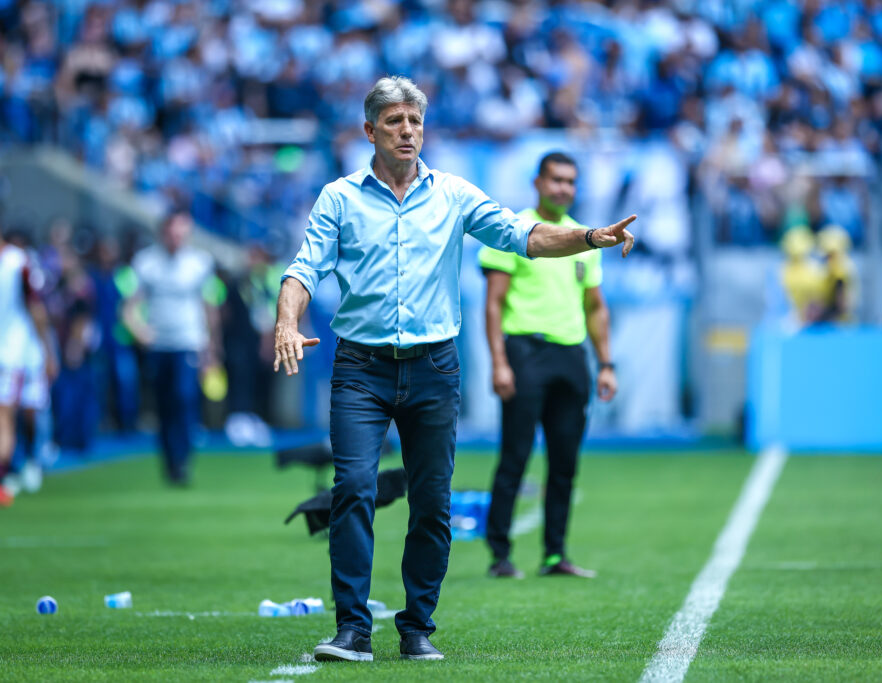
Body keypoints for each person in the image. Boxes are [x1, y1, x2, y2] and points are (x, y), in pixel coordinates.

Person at [274, 76, 635, 664]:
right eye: (393, 122)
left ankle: (417, 626)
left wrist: (590, 236)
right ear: (369, 131)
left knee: (433, 501)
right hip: (360, 368)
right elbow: (302, 270)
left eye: (414, 121)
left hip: (434, 368)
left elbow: (527, 235)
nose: (407, 131)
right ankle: (352, 630)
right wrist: (287, 322)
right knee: (354, 489)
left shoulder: (455, 195)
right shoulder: (339, 198)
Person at [479, 151, 617, 580]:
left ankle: (555, 555)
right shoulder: (514, 231)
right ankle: (500, 555)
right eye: (556, 179)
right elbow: (493, 303)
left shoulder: (586, 238)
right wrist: (499, 362)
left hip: (571, 356)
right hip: (525, 352)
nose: (563, 188)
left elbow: (595, 307)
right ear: (537, 182)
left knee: (565, 461)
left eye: (570, 182)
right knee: (515, 457)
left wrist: (607, 363)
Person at [123, 212, 220, 485]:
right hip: (159, 344)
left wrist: (212, 347)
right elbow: (131, 304)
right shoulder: (146, 263)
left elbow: (209, 305)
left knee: (184, 397)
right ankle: (169, 460)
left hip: (189, 342)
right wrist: (140, 331)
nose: (177, 238)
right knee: (164, 404)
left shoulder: (199, 263)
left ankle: (183, 458)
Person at [0, 225, 58, 507]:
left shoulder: (18, 263)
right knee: (5, 416)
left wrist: (46, 351)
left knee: (15, 413)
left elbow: (36, 307)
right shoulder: (18, 263)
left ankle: (27, 462)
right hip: (12, 353)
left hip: (14, 352)